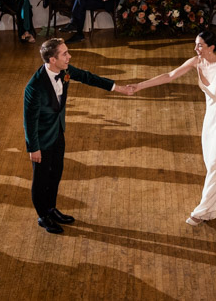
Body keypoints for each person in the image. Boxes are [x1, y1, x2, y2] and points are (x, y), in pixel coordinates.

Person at [130, 31, 216, 225]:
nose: (196, 48)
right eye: (195, 44)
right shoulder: (196, 62)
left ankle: (203, 211)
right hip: (211, 119)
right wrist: (139, 86)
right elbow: (169, 76)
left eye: (200, 45)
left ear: (211, 47)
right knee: (213, 163)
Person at [22, 38, 133, 234]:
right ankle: (43, 216)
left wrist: (118, 88)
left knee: (55, 174)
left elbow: (88, 77)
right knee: (41, 179)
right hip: (41, 141)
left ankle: (51, 208)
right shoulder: (34, 87)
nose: (69, 56)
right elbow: (29, 121)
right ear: (52, 59)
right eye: (64, 54)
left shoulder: (64, 72)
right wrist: (33, 148)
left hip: (57, 133)